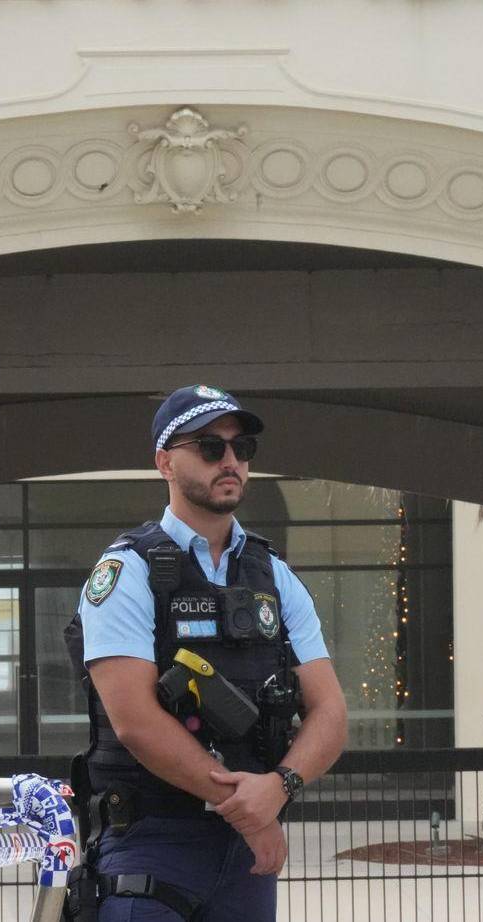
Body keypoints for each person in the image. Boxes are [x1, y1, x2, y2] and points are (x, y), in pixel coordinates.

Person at [64, 384, 348, 921]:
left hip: (244, 859)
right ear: (165, 462)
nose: (232, 462)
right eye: (211, 448)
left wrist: (279, 788)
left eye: (243, 450)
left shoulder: (275, 576)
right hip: (152, 844)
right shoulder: (127, 571)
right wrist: (253, 815)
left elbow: (330, 712)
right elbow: (136, 724)